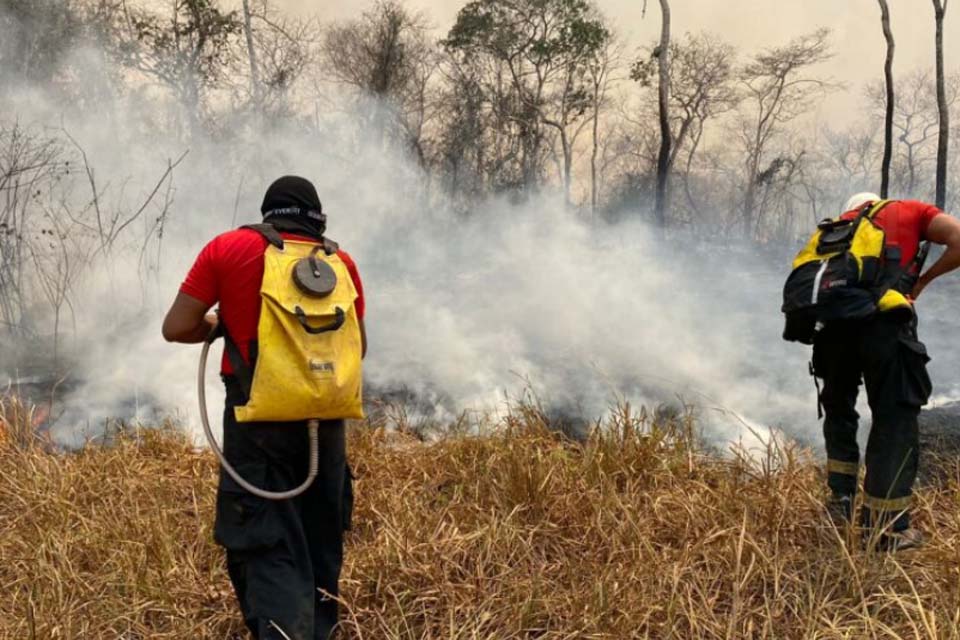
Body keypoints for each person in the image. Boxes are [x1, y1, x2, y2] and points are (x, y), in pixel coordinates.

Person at [162, 175, 366, 639]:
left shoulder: (229, 249)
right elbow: (359, 348)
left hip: (257, 422)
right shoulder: (341, 262)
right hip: (327, 422)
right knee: (320, 541)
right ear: (318, 218)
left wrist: (219, 324)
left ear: (267, 213)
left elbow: (176, 326)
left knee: (267, 541)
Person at [813, 192, 960, 550]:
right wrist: (923, 280)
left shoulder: (838, 226)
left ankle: (840, 502)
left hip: (832, 331)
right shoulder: (909, 211)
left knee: (839, 410)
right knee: (893, 418)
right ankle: (887, 529)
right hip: (882, 326)